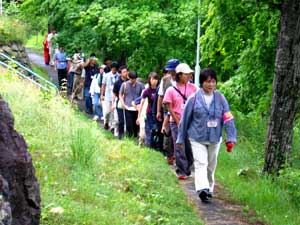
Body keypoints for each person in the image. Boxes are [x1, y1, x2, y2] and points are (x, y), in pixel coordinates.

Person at [176, 68, 237, 202]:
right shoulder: (194, 98)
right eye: (208, 82)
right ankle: (202, 189)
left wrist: (231, 137)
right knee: (200, 163)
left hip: (215, 138)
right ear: (202, 83)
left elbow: (228, 117)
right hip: (197, 137)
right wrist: (180, 138)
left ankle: (209, 188)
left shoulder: (220, 98)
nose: (211, 85)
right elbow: (184, 120)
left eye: (213, 81)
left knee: (210, 166)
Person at [163, 63, 198, 180]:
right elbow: (169, 107)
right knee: (179, 146)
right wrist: (178, 121)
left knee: (189, 147)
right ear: (179, 75)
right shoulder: (171, 90)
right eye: (186, 74)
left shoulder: (193, 88)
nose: (188, 76)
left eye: (189, 74)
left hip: (191, 123)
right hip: (176, 122)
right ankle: (181, 170)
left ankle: (187, 167)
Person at [157, 59, 180, 164]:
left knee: (179, 135)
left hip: (180, 111)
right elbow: (160, 96)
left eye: (173, 70)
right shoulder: (165, 80)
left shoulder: (184, 79)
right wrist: (158, 111)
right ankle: (169, 155)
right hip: (167, 111)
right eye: (170, 70)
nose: (171, 72)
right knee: (167, 133)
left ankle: (179, 157)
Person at [119, 71, 144, 138]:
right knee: (129, 124)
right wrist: (123, 104)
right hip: (128, 107)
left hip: (137, 108)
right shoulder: (124, 84)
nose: (133, 80)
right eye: (132, 79)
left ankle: (135, 136)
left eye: (135, 79)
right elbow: (120, 95)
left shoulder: (140, 85)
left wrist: (140, 104)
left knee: (136, 124)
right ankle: (129, 138)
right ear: (128, 77)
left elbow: (143, 96)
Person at [137, 72, 160, 147]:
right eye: (153, 79)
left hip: (158, 113)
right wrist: (139, 116)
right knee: (149, 130)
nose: (154, 81)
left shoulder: (159, 90)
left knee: (157, 131)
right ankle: (148, 147)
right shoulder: (147, 91)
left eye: (156, 79)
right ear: (149, 80)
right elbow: (142, 103)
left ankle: (156, 147)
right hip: (149, 113)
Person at [101, 61, 119, 131]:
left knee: (114, 113)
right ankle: (106, 122)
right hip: (108, 96)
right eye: (112, 68)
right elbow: (103, 85)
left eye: (115, 68)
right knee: (107, 112)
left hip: (115, 97)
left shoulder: (119, 76)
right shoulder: (106, 75)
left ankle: (112, 126)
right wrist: (102, 95)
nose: (113, 70)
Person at [112, 65, 129, 139]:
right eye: (124, 72)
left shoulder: (129, 81)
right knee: (121, 120)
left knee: (128, 120)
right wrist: (112, 104)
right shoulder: (117, 82)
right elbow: (114, 93)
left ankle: (128, 136)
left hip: (128, 103)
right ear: (121, 73)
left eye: (126, 71)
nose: (126, 73)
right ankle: (120, 136)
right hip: (119, 103)